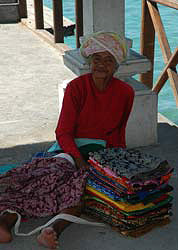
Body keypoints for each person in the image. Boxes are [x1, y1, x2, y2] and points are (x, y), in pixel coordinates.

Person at [0, 31, 134, 249]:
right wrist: (78, 161)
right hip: (67, 149)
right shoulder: (77, 88)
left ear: (116, 65)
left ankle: (52, 231)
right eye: (96, 59)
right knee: (45, 181)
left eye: (108, 60)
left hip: (100, 155)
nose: (101, 65)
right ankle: (5, 222)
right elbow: (63, 132)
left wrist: (116, 166)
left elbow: (119, 133)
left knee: (83, 191)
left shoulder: (126, 92)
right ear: (89, 62)